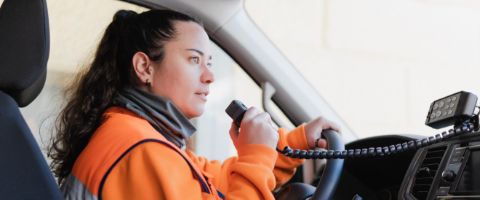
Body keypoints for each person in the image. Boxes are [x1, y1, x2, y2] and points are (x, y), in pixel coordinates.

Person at [48, 9, 339, 200]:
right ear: (144, 67)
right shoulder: (139, 149)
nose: (209, 76)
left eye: (208, 62)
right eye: (194, 60)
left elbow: (216, 182)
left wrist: (295, 142)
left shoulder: (145, 139)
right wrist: (255, 156)